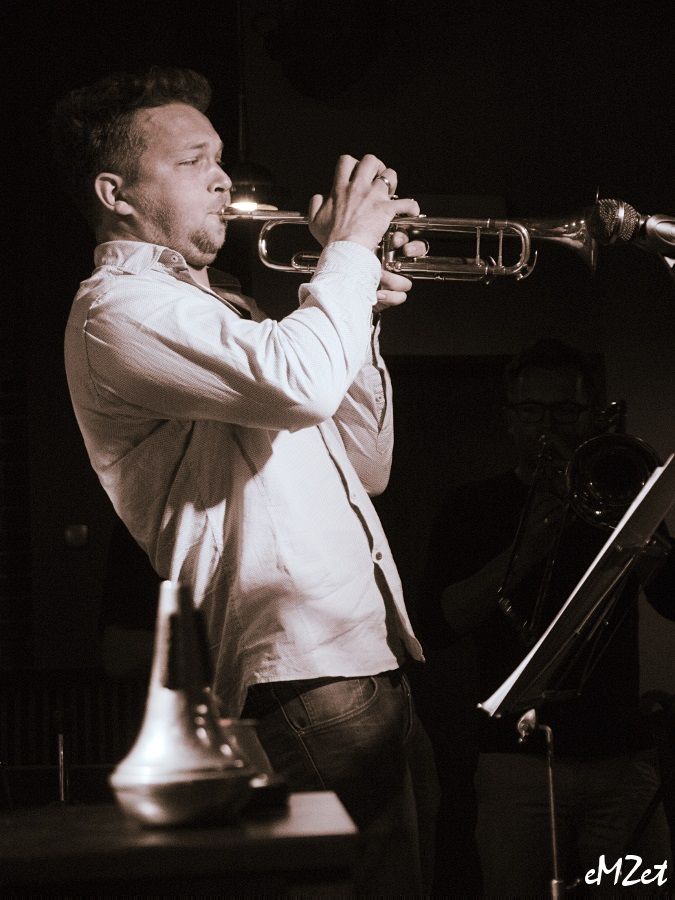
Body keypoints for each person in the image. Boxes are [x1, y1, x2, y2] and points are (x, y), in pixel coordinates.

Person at [53, 66, 439, 894]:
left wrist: (358, 308)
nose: (224, 179)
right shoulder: (118, 311)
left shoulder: (231, 310)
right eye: (193, 161)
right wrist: (347, 255)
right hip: (297, 673)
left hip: (361, 659)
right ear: (116, 194)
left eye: (220, 158)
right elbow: (302, 385)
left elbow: (367, 466)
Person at [417, 338, 675, 896]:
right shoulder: (471, 506)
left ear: (591, 417)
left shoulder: (619, 492)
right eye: (532, 411)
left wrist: (645, 545)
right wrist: (532, 541)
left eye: (565, 411)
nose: (548, 427)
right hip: (515, 761)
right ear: (509, 418)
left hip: (620, 755)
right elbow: (438, 625)